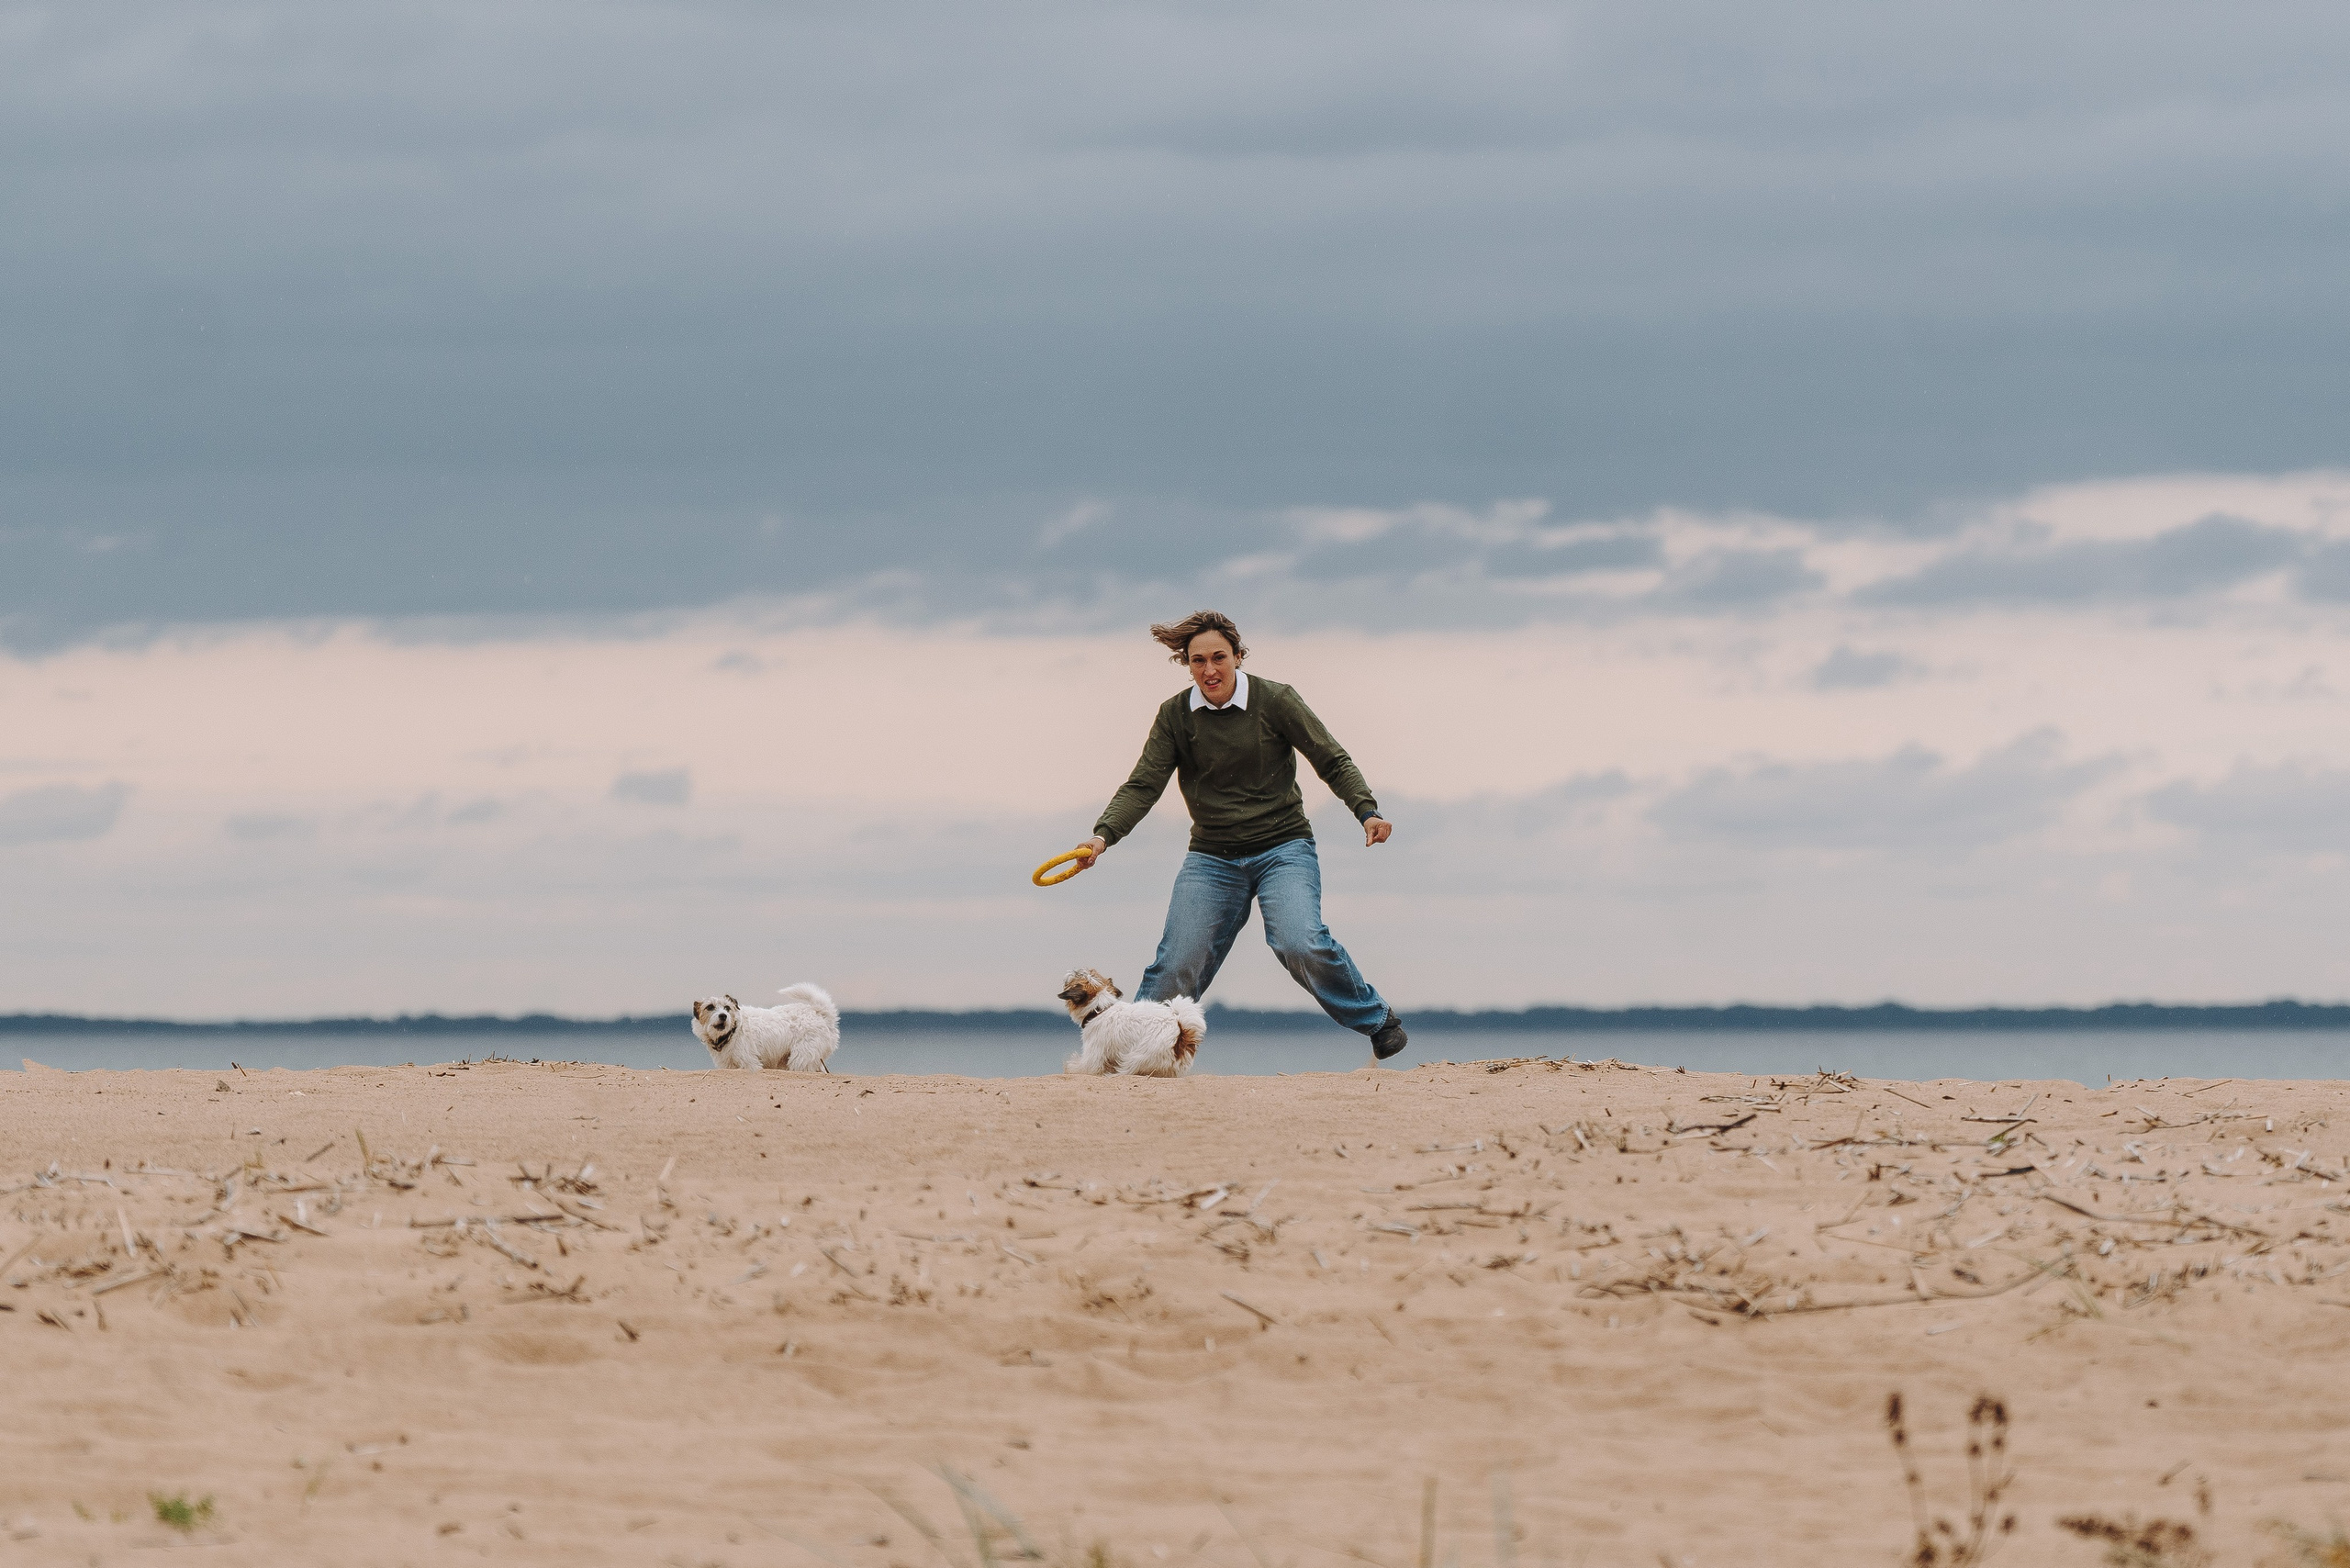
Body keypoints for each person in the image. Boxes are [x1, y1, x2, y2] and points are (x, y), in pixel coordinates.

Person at [1063, 610, 1408, 1059]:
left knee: (1298, 941)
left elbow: (1332, 758)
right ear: (1186, 664)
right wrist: (1102, 836)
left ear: (1239, 657)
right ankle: (1134, 1055)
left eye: (1219, 658)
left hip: (1283, 848)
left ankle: (1377, 1020)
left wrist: (1366, 810)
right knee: (1176, 966)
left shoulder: (1276, 700)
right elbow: (1143, 784)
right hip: (1212, 858)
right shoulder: (1175, 716)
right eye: (1197, 660)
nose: (1209, 670)